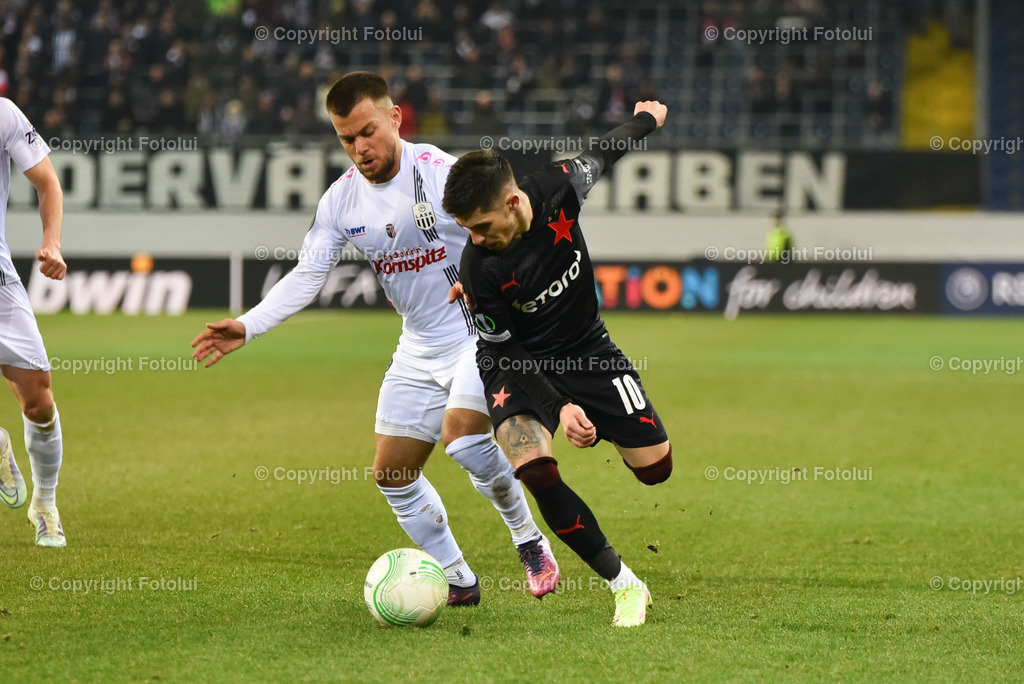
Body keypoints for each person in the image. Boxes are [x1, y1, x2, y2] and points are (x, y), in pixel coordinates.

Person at [191, 72, 558, 604]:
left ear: (394, 118)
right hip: (417, 345)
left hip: (476, 337)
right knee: (393, 474)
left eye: (367, 131)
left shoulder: (440, 174)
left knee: (465, 440)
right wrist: (249, 324)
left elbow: (506, 227)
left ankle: (528, 541)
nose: (359, 148)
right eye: (346, 138)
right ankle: (458, 579)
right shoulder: (341, 202)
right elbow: (307, 274)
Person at [442, 101, 672, 627]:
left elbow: (603, 153)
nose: (474, 239)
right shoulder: (478, 267)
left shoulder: (560, 187)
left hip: (589, 350)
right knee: (536, 469)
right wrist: (561, 406)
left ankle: (610, 426)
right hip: (516, 366)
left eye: (480, 224)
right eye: (466, 230)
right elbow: (501, 349)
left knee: (656, 469)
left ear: (513, 201)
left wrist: (645, 121)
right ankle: (624, 583)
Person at [0, 98, 68, 547]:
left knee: (38, 402)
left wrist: (51, 242)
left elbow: (47, 182)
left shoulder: (3, 113)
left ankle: (45, 503)